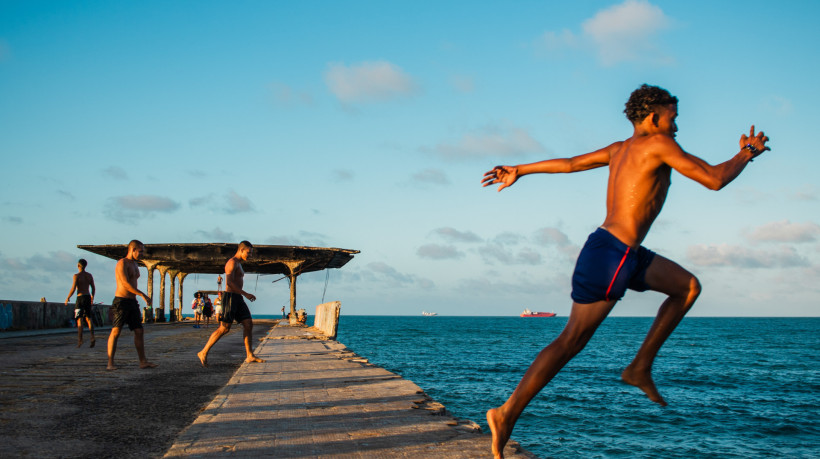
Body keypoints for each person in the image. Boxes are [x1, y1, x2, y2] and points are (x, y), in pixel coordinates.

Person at [480, 84, 769, 458]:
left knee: (688, 287)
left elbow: (570, 164)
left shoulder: (620, 149)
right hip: (612, 254)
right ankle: (506, 413)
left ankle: (640, 367)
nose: (676, 126)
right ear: (654, 117)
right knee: (571, 341)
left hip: (623, 253)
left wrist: (520, 169)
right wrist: (747, 152)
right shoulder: (659, 143)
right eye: (673, 117)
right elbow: (714, 179)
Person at [197, 241, 265, 366]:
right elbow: (229, 283)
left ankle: (250, 355)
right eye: (248, 253)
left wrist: (242, 295)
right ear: (241, 250)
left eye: (251, 253)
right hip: (230, 298)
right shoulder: (232, 263)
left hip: (238, 297)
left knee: (248, 323)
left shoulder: (239, 263)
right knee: (224, 328)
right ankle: (203, 351)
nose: (250, 256)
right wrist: (246, 294)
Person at [107, 240, 157, 370]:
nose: (142, 254)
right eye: (140, 251)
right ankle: (110, 363)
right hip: (121, 301)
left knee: (139, 331)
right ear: (132, 250)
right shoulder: (122, 263)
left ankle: (143, 361)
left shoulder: (135, 264)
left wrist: (138, 296)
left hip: (132, 302)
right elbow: (125, 284)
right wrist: (143, 295)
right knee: (116, 331)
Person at [64, 258, 96, 348]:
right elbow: (93, 288)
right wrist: (92, 297)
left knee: (79, 320)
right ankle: (92, 337)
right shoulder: (89, 276)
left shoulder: (76, 276)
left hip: (80, 298)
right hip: (87, 297)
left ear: (78, 265)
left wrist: (68, 297)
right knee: (89, 319)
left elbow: (73, 288)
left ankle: (80, 340)